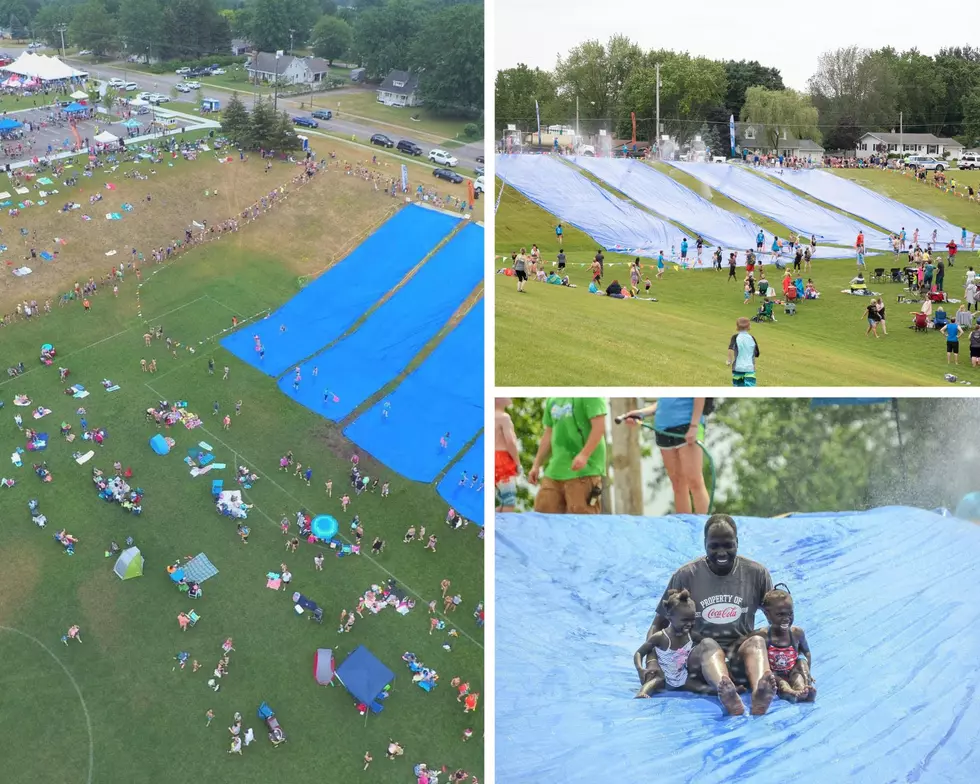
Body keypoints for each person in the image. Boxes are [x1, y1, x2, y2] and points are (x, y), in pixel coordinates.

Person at [647, 514, 776, 716]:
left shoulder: (756, 574)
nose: (721, 552)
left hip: (738, 655)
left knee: (757, 641)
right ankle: (725, 689)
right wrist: (652, 662)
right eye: (714, 546)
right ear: (705, 545)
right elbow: (658, 625)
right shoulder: (686, 576)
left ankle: (761, 689)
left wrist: (792, 658)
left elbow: (777, 617)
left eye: (728, 545)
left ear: (737, 543)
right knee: (708, 644)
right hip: (699, 658)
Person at [623, 399, 710, 514]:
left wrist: (694, 425)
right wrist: (641, 413)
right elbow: (663, 401)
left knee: (694, 481)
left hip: (688, 424)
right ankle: (683, 526)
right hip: (662, 428)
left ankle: (705, 527)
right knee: (678, 484)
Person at [527, 398, 607, 514]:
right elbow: (549, 433)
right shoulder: (552, 399)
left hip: (584, 472)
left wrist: (584, 455)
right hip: (554, 472)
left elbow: (599, 428)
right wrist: (536, 464)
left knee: (581, 523)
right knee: (543, 517)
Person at [634, 588, 713, 698]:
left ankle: (726, 690)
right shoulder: (661, 637)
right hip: (664, 677)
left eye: (692, 620)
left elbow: (709, 647)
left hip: (683, 677)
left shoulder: (692, 635)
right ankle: (642, 693)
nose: (689, 624)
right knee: (655, 681)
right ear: (669, 617)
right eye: (684, 620)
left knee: (702, 688)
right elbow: (639, 653)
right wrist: (640, 669)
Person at [742, 586, 815, 703]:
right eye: (780, 615)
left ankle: (805, 689)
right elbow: (744, 649)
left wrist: (808, 672)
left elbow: (806, 652)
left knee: (800, 668)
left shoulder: (797, 633)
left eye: (790, 614)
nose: (786, 619)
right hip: (774, 675)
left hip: (792, 671)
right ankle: (790, 693)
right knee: (780, 682)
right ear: (767, 615)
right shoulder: (762, 636)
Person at [495, 398, 520, 512]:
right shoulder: (504, 417)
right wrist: (517, 463)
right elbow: (510, 442)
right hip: (502, 460)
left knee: (502, 500)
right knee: (509, 501)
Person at [727, 317, 760, 387]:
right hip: (749, 368)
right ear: (749, 327)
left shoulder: (735, 337)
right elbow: (757, 353)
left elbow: (730, 349)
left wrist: (729, 361)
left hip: (737, 368)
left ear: (737, 327)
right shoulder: (752, 338)